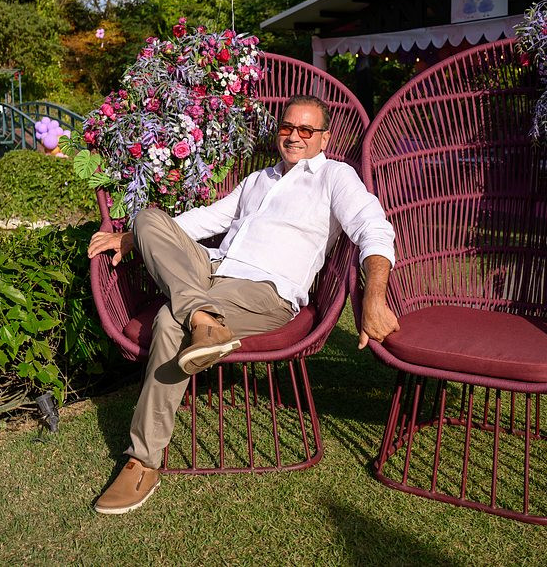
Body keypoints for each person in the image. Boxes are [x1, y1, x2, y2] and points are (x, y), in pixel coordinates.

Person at [87, 94, 399, 515]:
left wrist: (375, 296)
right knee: (147, 219)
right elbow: (208, 219)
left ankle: (142, 462)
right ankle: (202, 315)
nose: (294, 136)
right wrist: (132, 237)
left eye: (306, 130)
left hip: (266, 289)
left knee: (168, 320)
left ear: (324, 138)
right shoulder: (258, 180)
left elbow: (373, 228)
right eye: (287, 127)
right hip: (212, 270)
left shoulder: (335, 177)